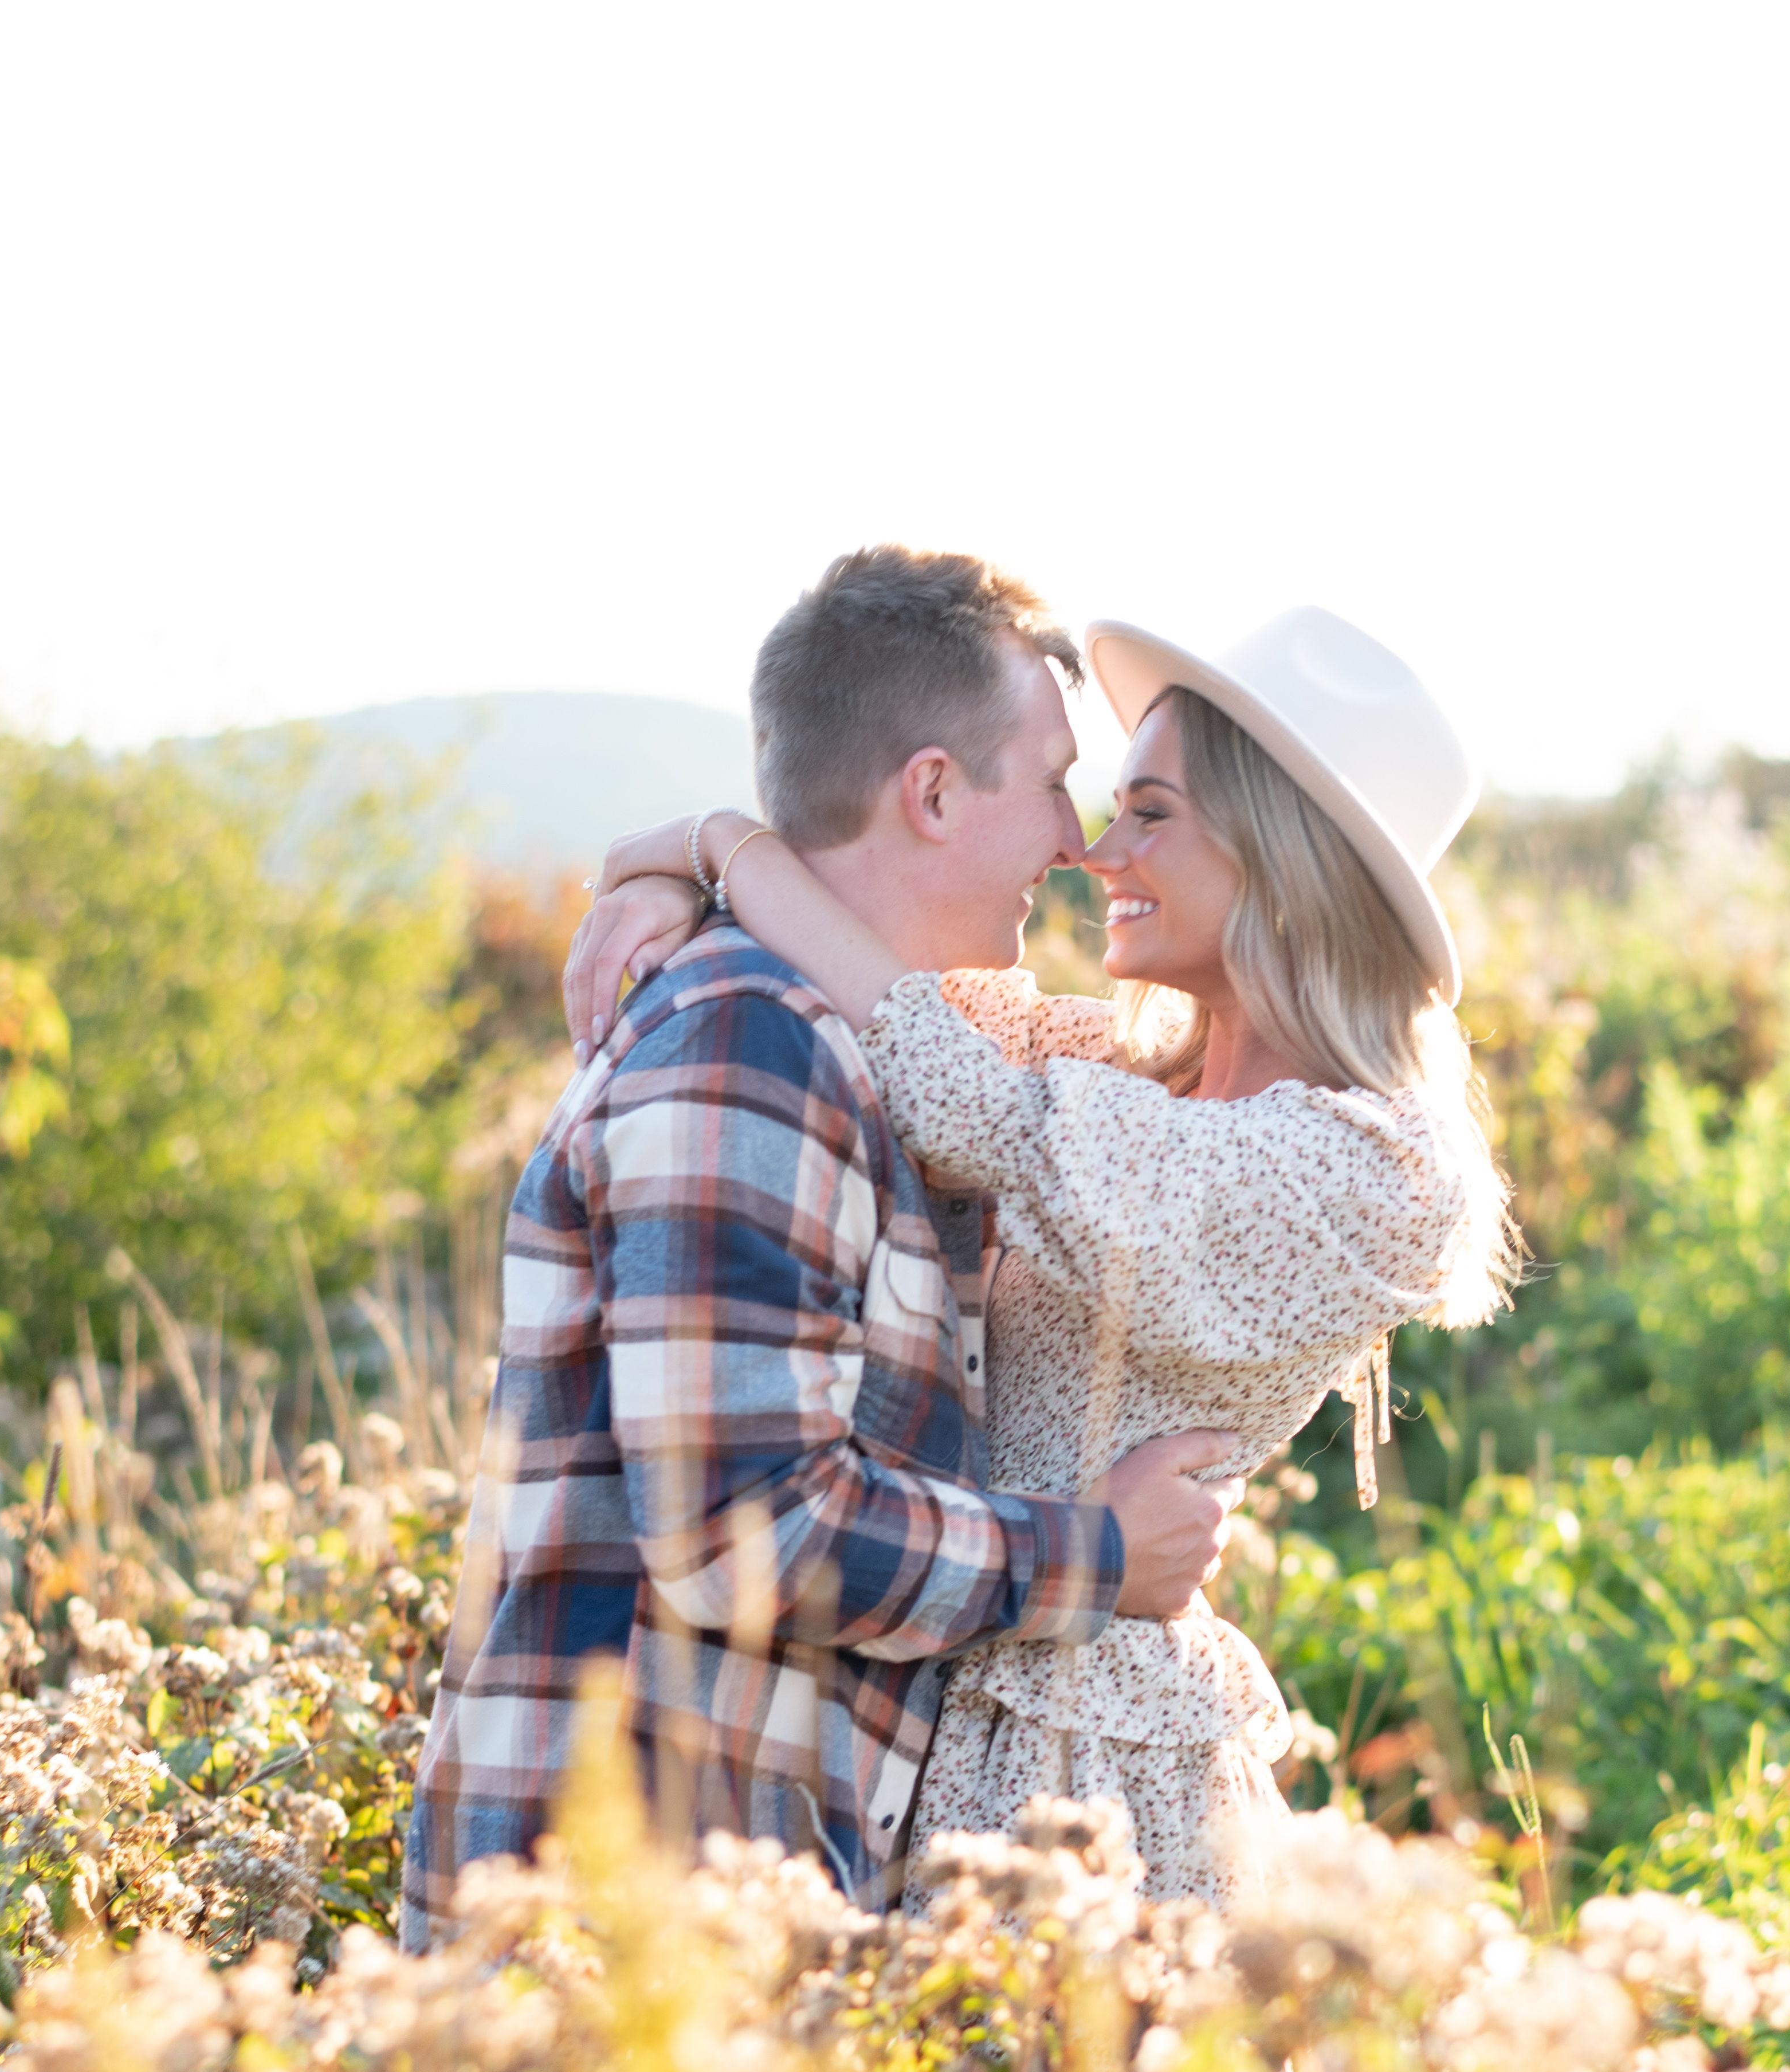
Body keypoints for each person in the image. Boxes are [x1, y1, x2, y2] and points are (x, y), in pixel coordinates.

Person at [562, 602, 1522, 1909]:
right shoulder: (1142, 1074)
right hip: (945, 1671)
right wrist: (664, 864)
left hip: (1084, 1752)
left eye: (1150, 814)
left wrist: (724, 842)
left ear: (1277, 854)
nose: (1092, 849)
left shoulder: (1363, 1164)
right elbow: (891, 953)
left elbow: (934, 1062)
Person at [397, 546, 1244, 1946]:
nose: (1075, 838)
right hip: (611, 1922)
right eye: (1048, 778)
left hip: (725, 1905)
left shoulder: (887, 1044)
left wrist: (691, 856)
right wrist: (1094, 1554)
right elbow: (751, 1533)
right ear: (929, 790)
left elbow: (1194, 1067)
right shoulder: (751, 1041)